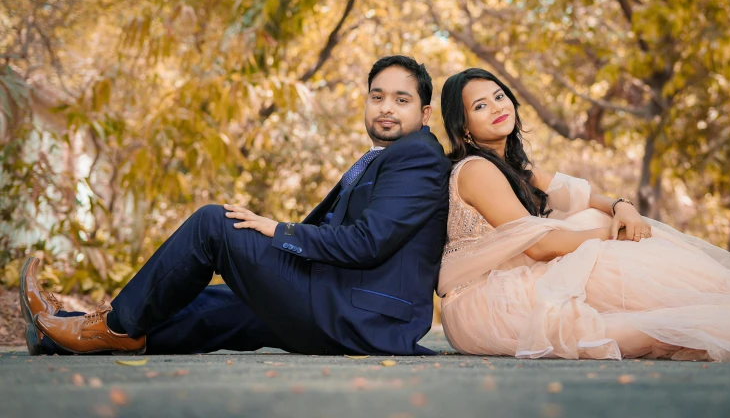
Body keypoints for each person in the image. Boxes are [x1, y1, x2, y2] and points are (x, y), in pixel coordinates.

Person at [20, 55, 450, 356]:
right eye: (377, 97)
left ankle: (112, 328)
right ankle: (61, 330)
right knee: (214, 309)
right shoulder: (389, 157)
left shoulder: (418, 155)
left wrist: (277, 232)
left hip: (363, 317)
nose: (386, 108)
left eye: (401, 99)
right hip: (344, 305)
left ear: (425, 112)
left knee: (214, 223)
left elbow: (367, 242)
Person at [436, 67, 730, 362]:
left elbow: (580, 193)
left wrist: (620, 207)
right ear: (464, 127)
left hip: (513, 283)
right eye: (480, 105)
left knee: (591, 224)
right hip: (482, 304)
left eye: (499, 96)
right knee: (596, 262)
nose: (496, 108)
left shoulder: (514, 164)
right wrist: (611, 234)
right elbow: (541, 246)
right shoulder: (477, 170)